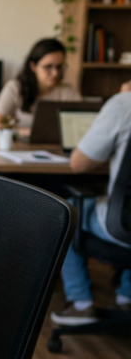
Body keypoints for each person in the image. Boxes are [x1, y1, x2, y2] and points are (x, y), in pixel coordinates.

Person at [55, 85, 131, 325]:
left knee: (68, 211)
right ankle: (126, 297)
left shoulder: (124, 104)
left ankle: (81, 303)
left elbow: (79, 164)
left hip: (124, 228)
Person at [0, 38, 80, 131]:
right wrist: (30, 133)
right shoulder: (15, 87)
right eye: (48, 67)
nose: (55, 73)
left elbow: (82, 124)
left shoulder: (68, 92)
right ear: (33, 66)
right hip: (22, 144)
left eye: (59, 67)